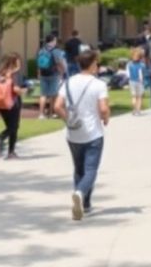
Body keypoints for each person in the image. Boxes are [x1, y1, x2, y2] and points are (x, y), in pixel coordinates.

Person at [54, 51, 110, 221]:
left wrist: (68, 119)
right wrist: (106, 118)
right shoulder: (99, 84)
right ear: (92, 64)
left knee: (79, 169)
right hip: (93, 133)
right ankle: (80, 193)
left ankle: (84, 204)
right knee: (91, 169)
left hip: (73, 133)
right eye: (96, 63)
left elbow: (57, 106)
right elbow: (103, 109)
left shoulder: (68, 82)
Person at [0, 53, 28, 159]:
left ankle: (11, 152)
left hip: (1, 104)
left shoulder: (1, 74)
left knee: (12, 127)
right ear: (15, 62)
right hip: (12, 103)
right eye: (18, 61)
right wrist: (24, 90)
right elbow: (16, 89)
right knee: (14, 127)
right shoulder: (15, 73)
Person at [37, 35, 66, 120]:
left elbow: (38, 64)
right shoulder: (56, 51)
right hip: (53, 74)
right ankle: (52, 113)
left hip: (43, 74)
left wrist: (38, 74)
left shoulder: (41, 50)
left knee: (43, 94)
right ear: (53, 41)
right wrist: (63, 71)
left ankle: (41, 114)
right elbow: (59, 62)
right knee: (54, 94)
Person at [127, 48, 146, 116]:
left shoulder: (129, 64)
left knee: (133, 96)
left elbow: (128, 74)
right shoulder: (142, 65)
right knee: (139, 97)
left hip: (132, 81)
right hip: (139, 82)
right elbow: (143, 74)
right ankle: (138, 110)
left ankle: (134, 110)